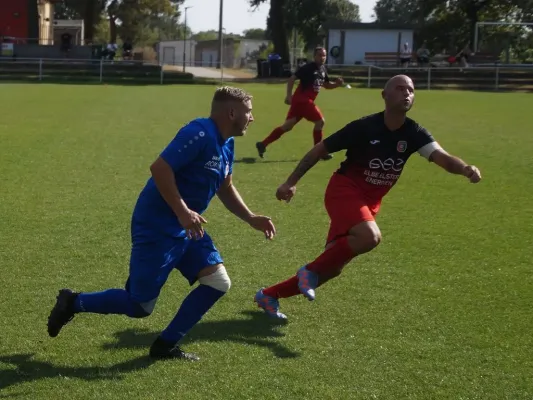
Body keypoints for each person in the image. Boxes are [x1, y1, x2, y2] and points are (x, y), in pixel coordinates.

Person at [47, 86, 277, 361]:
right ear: (231, 112)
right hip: (158, 224)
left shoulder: (227, 143)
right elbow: (160, 168)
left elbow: (225, 186)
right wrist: (182, 212)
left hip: (187, 225)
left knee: (217, 282)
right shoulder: (199, 133)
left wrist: (250, 217)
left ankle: (165, 345)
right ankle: (73, 302)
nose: (252, 118)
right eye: (248, 112)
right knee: (140, 306)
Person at [254, 75, 482, 319]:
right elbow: (319, 150)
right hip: (344, 190)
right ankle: (306, 272)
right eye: (400, 88)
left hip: (369, 203)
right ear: (384, 95)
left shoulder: (414, 133)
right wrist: (291, 182)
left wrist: (465, 168)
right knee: (370, 236)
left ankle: (269, 295)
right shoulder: (364, 127)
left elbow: (443, 158)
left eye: (411, 90)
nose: (407, 93)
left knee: (331, 268)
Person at [255, 47, 345, 161]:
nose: (322, 58)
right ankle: (319, 152)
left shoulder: (322, 69)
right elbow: (292, 78)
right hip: (303, 100)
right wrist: (288, 95)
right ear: (314, 56)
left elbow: (327, 85)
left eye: (324, 55)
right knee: (320, 122)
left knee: (287, 126)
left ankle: (263, 144)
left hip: (301, 102)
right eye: (319, 55)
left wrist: (336, 84)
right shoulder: (308, 68)